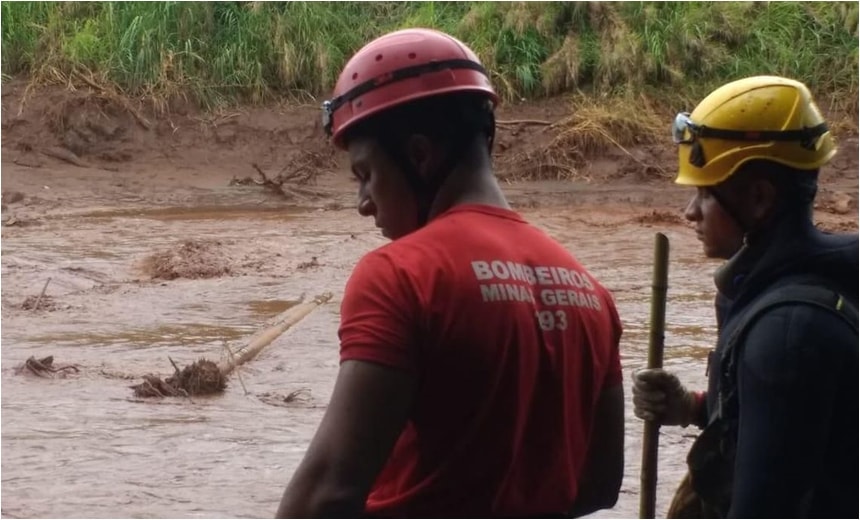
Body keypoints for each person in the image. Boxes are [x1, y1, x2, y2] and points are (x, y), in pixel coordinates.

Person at [276, 28, 624, 518]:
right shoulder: (590, 292)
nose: (363, 204)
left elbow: (325, 498)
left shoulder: (400, 276)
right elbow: (600, 485)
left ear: (420, 155)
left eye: (366, 175)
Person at [632, 75, 858, 518]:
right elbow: (788, 426)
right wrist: (693, 407)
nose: (689, 212)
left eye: (704, 193)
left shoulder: (787, 334)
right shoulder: (794, 289)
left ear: (758, 198)